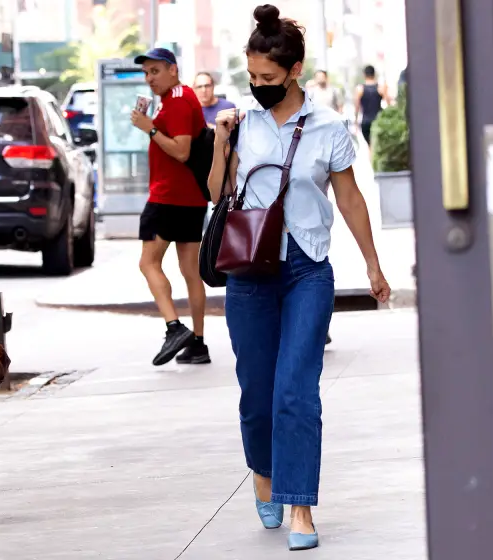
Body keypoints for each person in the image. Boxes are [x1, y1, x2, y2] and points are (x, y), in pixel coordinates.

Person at [208, 5, 390, 551]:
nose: (258, 86)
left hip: (307, 269)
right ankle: (263, 475)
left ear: (294, 70)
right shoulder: (240, 123)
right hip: (248, 272)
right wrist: (220, 144)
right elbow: (216, 193)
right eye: (252, 77)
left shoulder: (329, 126)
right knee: (257, 394)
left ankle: (301, 507)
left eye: (268, 78)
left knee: (296, 391)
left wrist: (373, 264)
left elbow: (350, 198)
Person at [130, 48, 211, 366]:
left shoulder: (177, 101)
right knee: (191, 272)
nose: (149, 78)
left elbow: (180, 150)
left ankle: (174, 327)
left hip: (167, 198)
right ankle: (199, 344)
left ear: (173, 71)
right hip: (190, 198)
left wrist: (149, 128)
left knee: (148, 263)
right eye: (146, 73)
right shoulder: (182, 96)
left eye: (155, 71)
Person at [354, 65, 390, 149]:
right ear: (374, 74)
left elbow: (357, 107)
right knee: (378, 146)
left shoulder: (360, 89)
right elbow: (389, 105)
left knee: (370, 147)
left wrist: (355, 122)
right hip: (378, 120)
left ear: (364, 75)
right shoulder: (380, 88)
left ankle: (372, 161)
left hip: (366, 121)